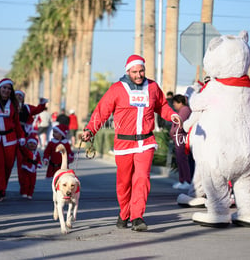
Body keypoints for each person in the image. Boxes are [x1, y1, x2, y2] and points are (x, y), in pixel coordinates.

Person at [81, 54, 181, 232]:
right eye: (135, 71)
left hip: (146, 141)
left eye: (141, 70)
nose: (139, 74)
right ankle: (124, 212)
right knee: (124, 182)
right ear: (128, 71)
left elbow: (162, 105)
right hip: (124, 144)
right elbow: (102, 111)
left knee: (142, 178)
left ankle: (137, 217)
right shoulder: (117, 89)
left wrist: (171, 114)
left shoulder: (152, 87)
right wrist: (90, 130)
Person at [0, 78, 25, 202]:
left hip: (10, 139)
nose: (6, 90)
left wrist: (21, 136)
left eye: (9, 88)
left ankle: (2, 189)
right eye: (4, 87)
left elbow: (16, 122)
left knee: (8, 166)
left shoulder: (14, 104)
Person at [15, 90, 47, 197]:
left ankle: (24, 189)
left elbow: (38, 109)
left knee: (22, 165)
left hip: (23, 140)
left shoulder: (27, 108)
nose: (18, 97)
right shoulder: (6, 106)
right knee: (6, 165)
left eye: (21, 95)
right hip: (8, 138)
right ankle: (1, 189)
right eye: (16, 95)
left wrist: (42, 104)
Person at [170, 94, 193, 190]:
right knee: (179, 160)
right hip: (177, 137)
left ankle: (187, 180)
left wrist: (174, 132)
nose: (174, 105)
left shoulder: (185, 110)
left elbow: (180, 124)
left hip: (181, 137)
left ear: (180, 102)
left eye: (175, 102)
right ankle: (182, 180)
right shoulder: (180, 111)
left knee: (183, 160)